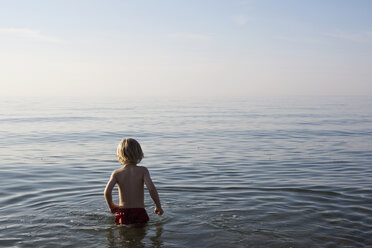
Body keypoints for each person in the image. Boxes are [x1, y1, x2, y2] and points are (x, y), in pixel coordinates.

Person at [104, 138, 163, 225]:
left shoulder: (117, 173)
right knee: (139, 236)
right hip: (139, 212)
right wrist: (158, 206)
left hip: (123, 213)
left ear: (119, 155)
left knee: (123, 236)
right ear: (139, 154)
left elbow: (107, 192)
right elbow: (152, 189)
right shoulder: (143, 171)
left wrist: (111, 205)